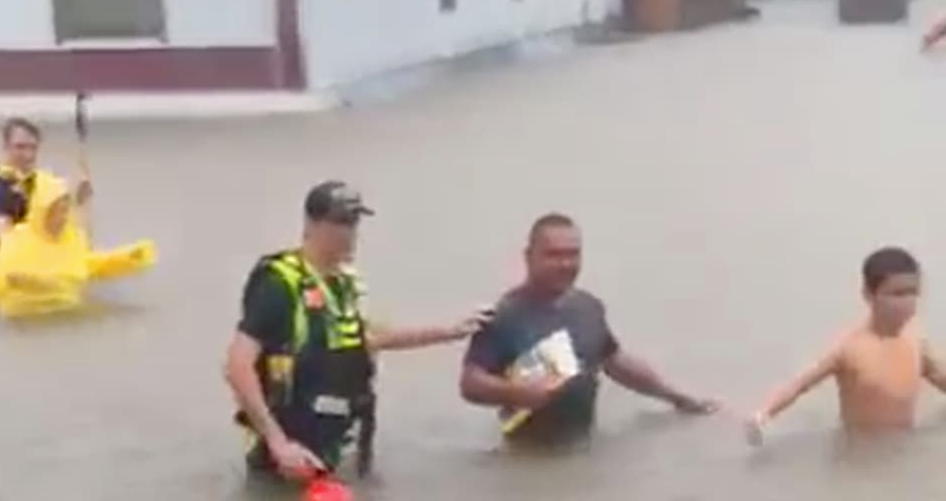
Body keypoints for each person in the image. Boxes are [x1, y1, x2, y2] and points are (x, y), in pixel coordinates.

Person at [224, 181, 491, 481]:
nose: (349, 232)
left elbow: (370, 338)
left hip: (341, 444)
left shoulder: (343, 282)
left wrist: (449, 331)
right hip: (288, 457)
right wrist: (277, 442)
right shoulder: (279, 283)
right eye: (339, 222)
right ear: (311, 223)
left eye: (354, 222)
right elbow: (237, 366)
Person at [459, 213, 717, 447]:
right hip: (528, 454)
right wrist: (517, 393)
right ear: (529, 257)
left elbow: (614, 360)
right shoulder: (505, 315)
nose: (565, 264)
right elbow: (470, 383)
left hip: (582, 443)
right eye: (554, 255)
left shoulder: (588, 308)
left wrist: (678, 398)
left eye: (573, 254)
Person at [746, 247, 946, 444]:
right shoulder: (849, 347)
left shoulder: (917, 343)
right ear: (869, 295)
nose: (907, 302)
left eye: (913, 293)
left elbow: (942, 379)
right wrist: (764, 414)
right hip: (860, 452)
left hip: (904, 445)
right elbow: (799, 385)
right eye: (897, 294)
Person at [0, 172, 155, 319]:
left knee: (126, 316)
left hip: (68, 310)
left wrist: (127, 259)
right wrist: (30, 284)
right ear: (41, 211)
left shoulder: (73, 238)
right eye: (55, 211)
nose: (61, 217)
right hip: (28, 320)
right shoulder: (18, 239)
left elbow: (87, 266)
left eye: (64, 210)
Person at [0, 117, 90, 283]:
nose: (28, 155)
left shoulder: (34, 179)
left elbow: (59, 208)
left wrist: (79, 193)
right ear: (5, 146)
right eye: (20, 147)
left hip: (27, 256)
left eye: (33, 148)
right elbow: (1, 229)